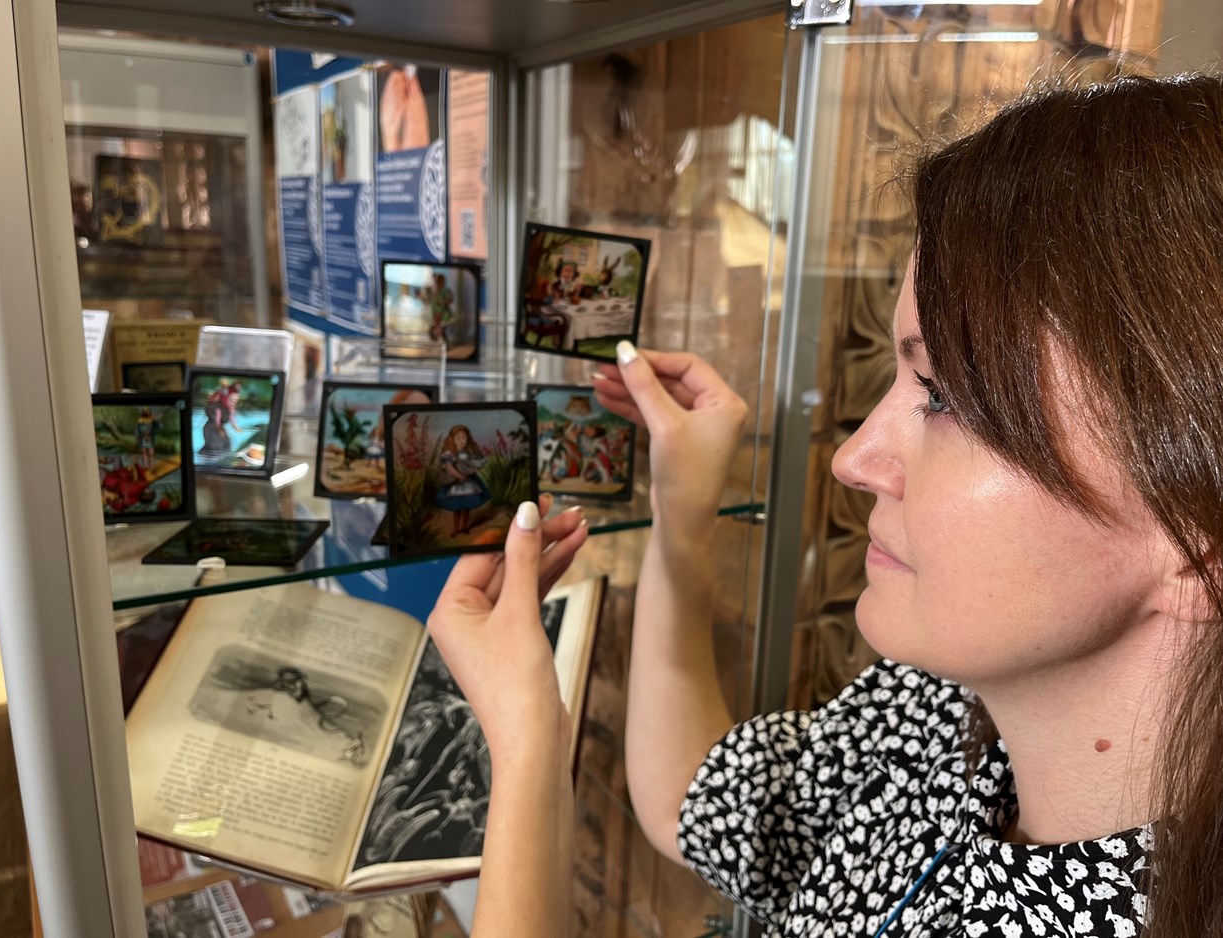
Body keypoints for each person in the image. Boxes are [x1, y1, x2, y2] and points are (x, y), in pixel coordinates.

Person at [426, 73, 1223, 936]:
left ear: (1200, 541)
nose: (853, 459)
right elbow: (705, 801)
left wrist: (525, 744)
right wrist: (683, 510)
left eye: (946, 396)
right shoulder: (947, 709)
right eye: (901, 375)